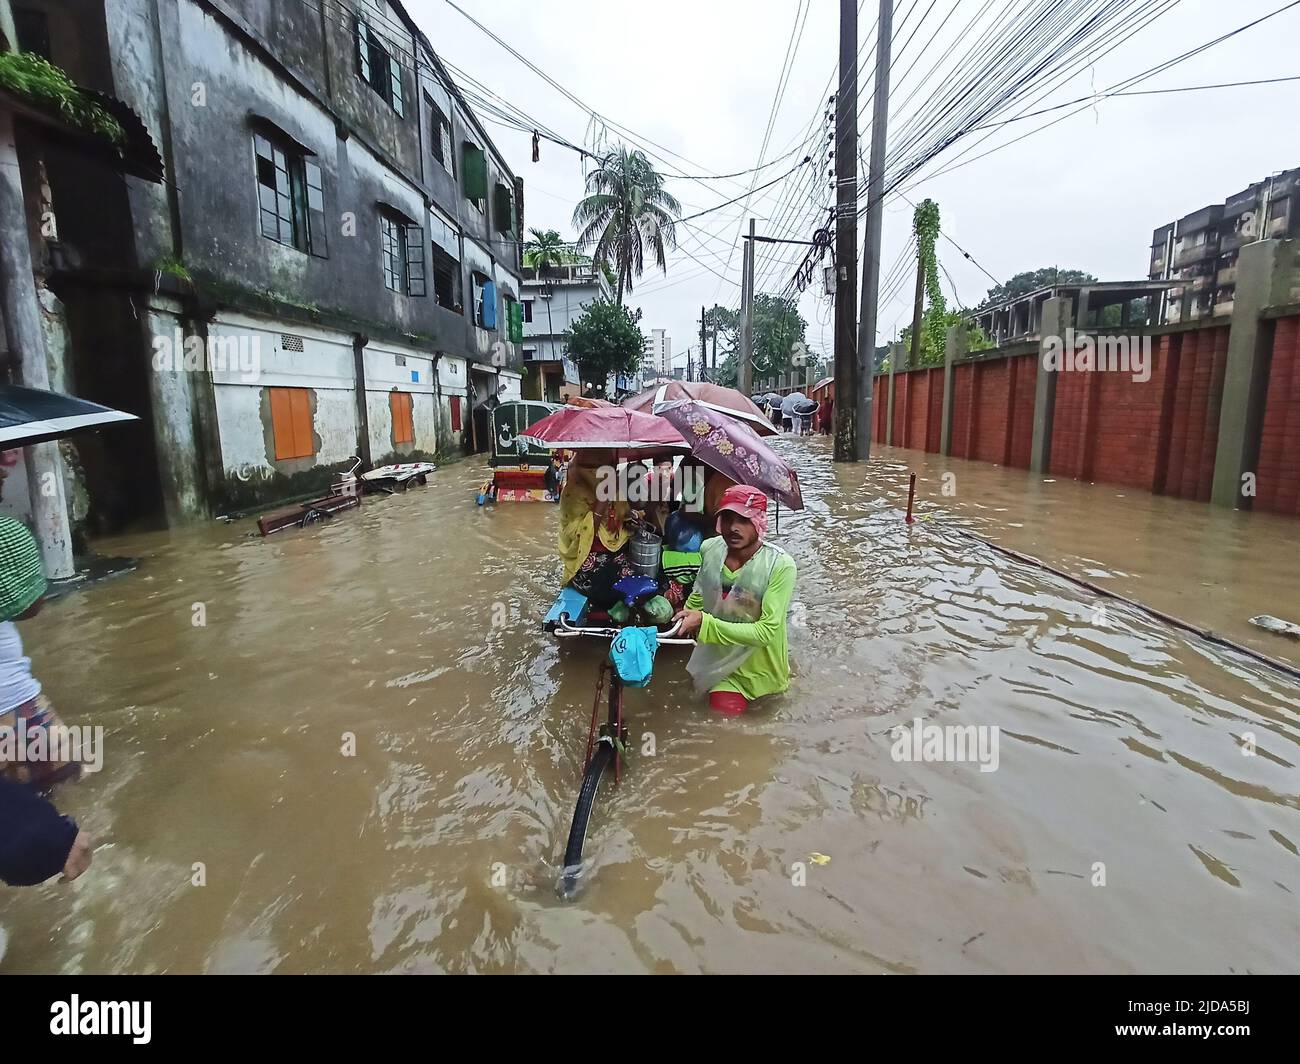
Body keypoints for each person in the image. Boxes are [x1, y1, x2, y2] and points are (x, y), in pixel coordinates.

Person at [672, 486, 796, 716]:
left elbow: (766, 632)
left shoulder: (780, 565)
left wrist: (704, 623)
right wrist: (686, 616)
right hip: (723, 667)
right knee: (723, 727)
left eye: (744, 519)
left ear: (759, 521)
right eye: (728, 518)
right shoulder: (710, 548)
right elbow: (700, 592)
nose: (733, 528)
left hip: (763, 669)